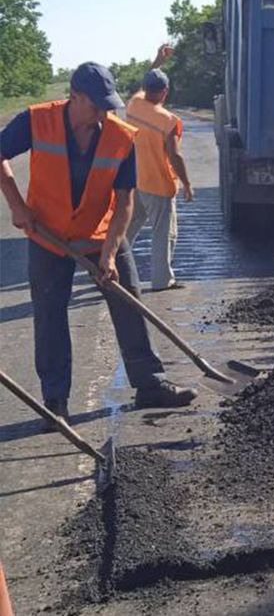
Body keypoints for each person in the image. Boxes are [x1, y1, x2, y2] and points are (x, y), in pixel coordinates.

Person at [0, 63, 197, 429]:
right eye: (96, 105)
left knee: (128, 301)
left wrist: (109, 253)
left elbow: (124, 201)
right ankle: (55, 402)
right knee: (49, 315)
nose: (103, 113)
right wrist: (17, 204)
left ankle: (149, 383)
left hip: (98, 233)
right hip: (48, 236)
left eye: (109, 105)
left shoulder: (121, 136)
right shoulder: (36, 120)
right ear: (74, 97)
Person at [125, 45, 193, 291]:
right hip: (159, 185)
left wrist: (157, 61)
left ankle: (113, 264)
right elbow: (175, 155)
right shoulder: (168, 121)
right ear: (165, 92)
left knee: (128, 230)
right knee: (164, 233)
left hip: (136, 181)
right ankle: (162, 281)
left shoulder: (133, 105)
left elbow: (146, 84)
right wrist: (186, 183)